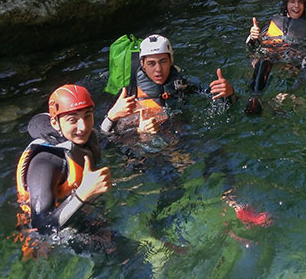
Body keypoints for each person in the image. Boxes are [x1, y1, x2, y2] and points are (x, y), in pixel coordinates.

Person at [16, 85, 112, 233]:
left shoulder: (83, 141)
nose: (83, 127)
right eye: (72, 120)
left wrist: (112, 119)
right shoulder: (45, 162)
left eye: (87, 116)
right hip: (50, 241)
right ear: (55, 123)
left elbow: (109, 147)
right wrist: (83, 194)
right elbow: (40, 227)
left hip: (81, 215)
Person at [101, 34, 234, 135]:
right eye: (151, 63)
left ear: (171, 61)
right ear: (142, 64)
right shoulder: (128, 95)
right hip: (144, 148)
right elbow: (104, 139)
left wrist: (229, 94)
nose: (158, 69)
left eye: (163, 61)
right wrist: (117, 119)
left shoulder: (180, 84)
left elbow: (220, 100)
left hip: (179, 137)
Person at [245, 0, 306, 113]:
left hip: (294, 59)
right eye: (292, 1)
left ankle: (292, 94)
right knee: (262, 61)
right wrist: (252, 37)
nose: (296, 6)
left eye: (300, 2)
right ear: (286, 4)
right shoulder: (269, 26)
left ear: (305, 5)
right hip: (273, 56)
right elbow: (251, 46)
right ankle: (256, 98)